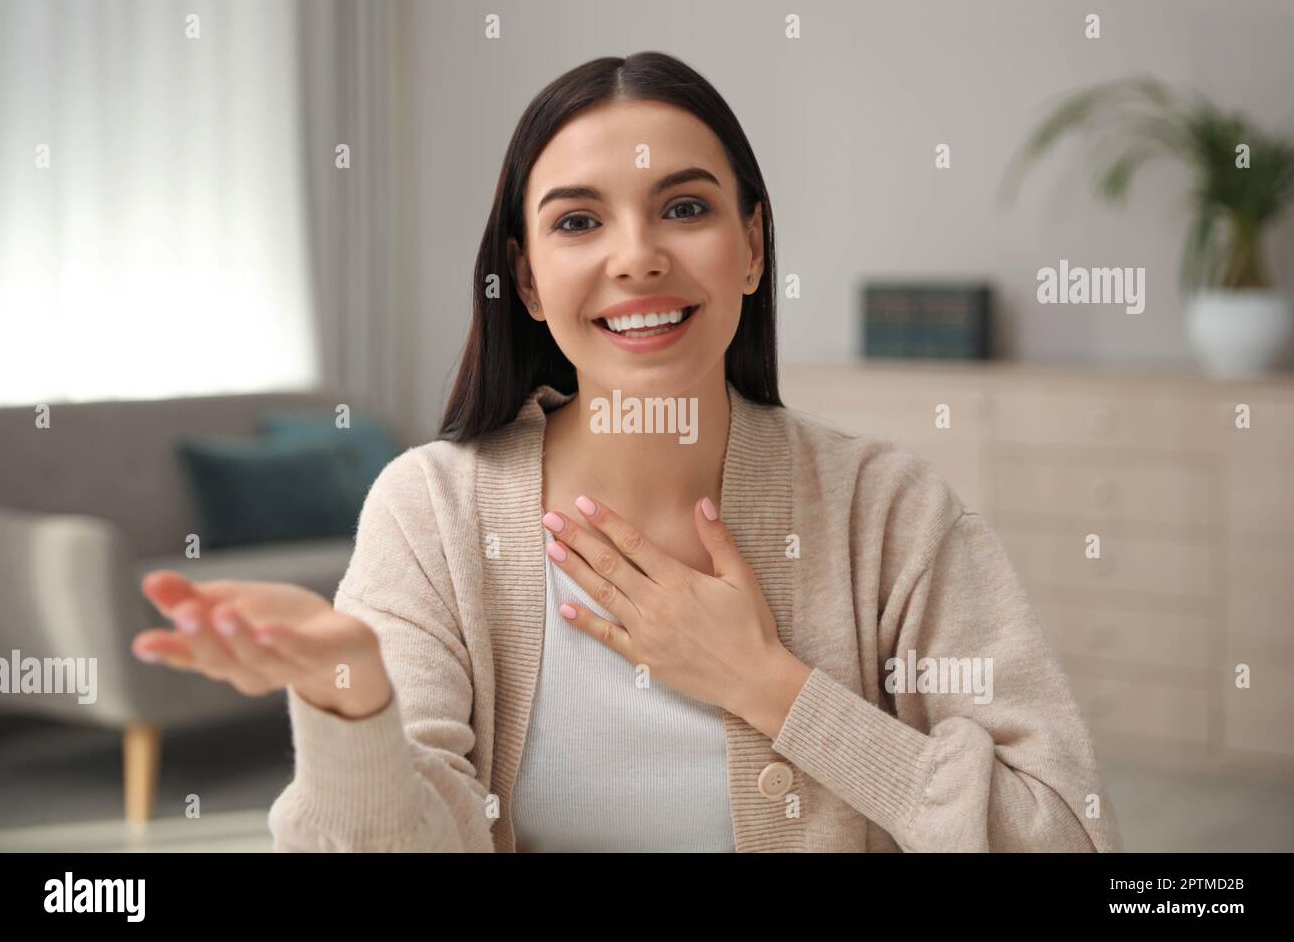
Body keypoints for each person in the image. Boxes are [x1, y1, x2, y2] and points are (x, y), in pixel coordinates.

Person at [133, 51, 1123, 853]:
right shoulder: (431, 510)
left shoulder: (889, 508)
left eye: (684, 207)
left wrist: (769, 684)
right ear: (524, 278)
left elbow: (1067, 839)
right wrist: (351, 702)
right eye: (577, 220)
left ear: (752, 244)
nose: (636, 255)